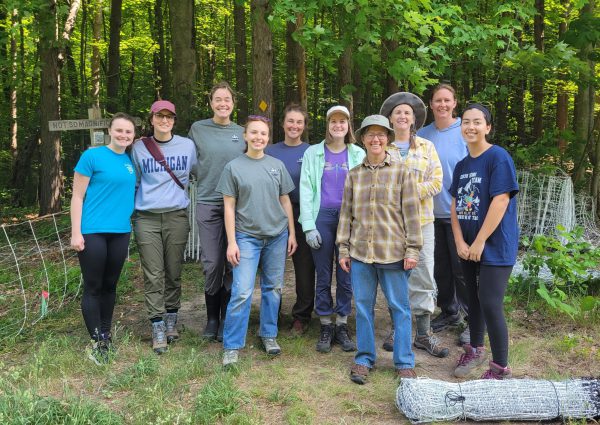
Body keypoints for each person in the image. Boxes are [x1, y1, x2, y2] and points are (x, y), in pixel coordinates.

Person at [337, 115, 423, 385]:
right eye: (370, 134)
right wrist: (343, 249)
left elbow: (412, 214)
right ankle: (364, 358)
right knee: (362, 307)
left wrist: (413, 250)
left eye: (381, 134)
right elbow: (346, 215)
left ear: (388, 138)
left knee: (400, 308)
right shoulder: (354, 176)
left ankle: (404, 362)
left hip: (393, 253)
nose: (376, 139)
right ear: (362, 139)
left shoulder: (402, 172)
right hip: (361, 253)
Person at [217, 115, 297, 367]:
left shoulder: (276, 165)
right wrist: (232, 242)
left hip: (277, 235)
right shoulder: (234, 167)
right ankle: (232, 345)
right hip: (246, 237)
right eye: (254, 133)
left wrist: (292, 233)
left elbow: (285, 200)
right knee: (242, 291)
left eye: (263, 134)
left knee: (273, 288)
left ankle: (269, 334)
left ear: (267, 137)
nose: (258, 137)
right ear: (245, 136)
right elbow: (228, 207)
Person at [450, 103, 519, 379]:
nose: (471, 127)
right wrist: (459, 241)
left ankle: (501, 367)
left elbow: (501, 200)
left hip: (494, 245)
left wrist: (479, 241)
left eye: (477, 122)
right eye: (466, 122)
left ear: (487, 127)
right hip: (467, 246)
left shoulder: (498, 157)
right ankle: (475, 348)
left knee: (490, 302)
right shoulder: (462, 165)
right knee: (473, 301)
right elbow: (455, 206)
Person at [380, 92, 449, 358]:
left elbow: (436, 182)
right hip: (392, 225)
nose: (402, 116)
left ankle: (423, 333)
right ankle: (399, 328)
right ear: (390, 118)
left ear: (413, 119)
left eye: (407, 113)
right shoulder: (383, 149)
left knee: (423, 274)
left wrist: (407, 192)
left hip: (422, 223)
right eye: (398, 113)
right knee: (395, 274)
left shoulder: (427, 148)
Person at [70, 113, 137, 365]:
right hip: (93, 230)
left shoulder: (129, 161)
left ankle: (106, 335)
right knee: (94, 286)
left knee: (110, 285)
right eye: (119, 130)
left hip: (120, 231)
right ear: (110, 131)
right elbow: (77, 196)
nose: (123, 135)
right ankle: (97, 342)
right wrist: (76, 232)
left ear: (133, 136)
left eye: (128, 132)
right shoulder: (92, 156)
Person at [131, 100, 197, 354]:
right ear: (152, 119)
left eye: (169, 117)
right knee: (153, 273)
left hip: (176, 216)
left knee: (173, 271)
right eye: (160, 116)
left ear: (174, 121)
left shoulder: (187, 146)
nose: (164, 121)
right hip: (146, 217)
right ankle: (157, 324)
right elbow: (133, 180)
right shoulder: (139, 148)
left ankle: (172, 319)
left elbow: (197, 172)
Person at [299, 105, 365, 353]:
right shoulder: (313, 153)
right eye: (333, 121)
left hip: (350, 220)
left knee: (346, 273)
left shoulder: (358, 154)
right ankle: (325, 323)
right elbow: (306, 190)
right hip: (322, 219)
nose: (338, 125)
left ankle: (342, 323)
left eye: (343, 122)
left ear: (348, 126)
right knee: (324, 273)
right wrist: (308, 227)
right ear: (327, 125)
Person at [188, 82, 245, 341]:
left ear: (233, 103)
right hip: (209, 202)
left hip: (238, 205)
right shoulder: (198, 129)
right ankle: (211, 317)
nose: (223, 104)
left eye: (227, 99)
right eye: (218, 99)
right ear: (211, 103)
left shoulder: (242, 133)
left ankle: (226, 319)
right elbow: (189, 162)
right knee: (212, 263)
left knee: (233, 263)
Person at [417, 84, 470, 345]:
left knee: (462, 269)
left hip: (459, 212)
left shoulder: (464, 131)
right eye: (438, 100)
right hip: (429, 214)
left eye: (447, 100)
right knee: (440, 269)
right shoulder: (423, 135)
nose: (442, 105)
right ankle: (450, 311)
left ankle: (472, 319)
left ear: (455, 103)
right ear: (430, 104)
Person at [265, 104, 316, 335]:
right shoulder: (270, 150)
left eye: (299, 122)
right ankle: (271, 312)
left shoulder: (312, 152)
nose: (294, 126)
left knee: (304, 267)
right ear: (283, 123)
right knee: (271, 266)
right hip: (272, 213)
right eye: (291, 121)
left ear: (304, 126)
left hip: (302, 213)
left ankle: (302, 315)